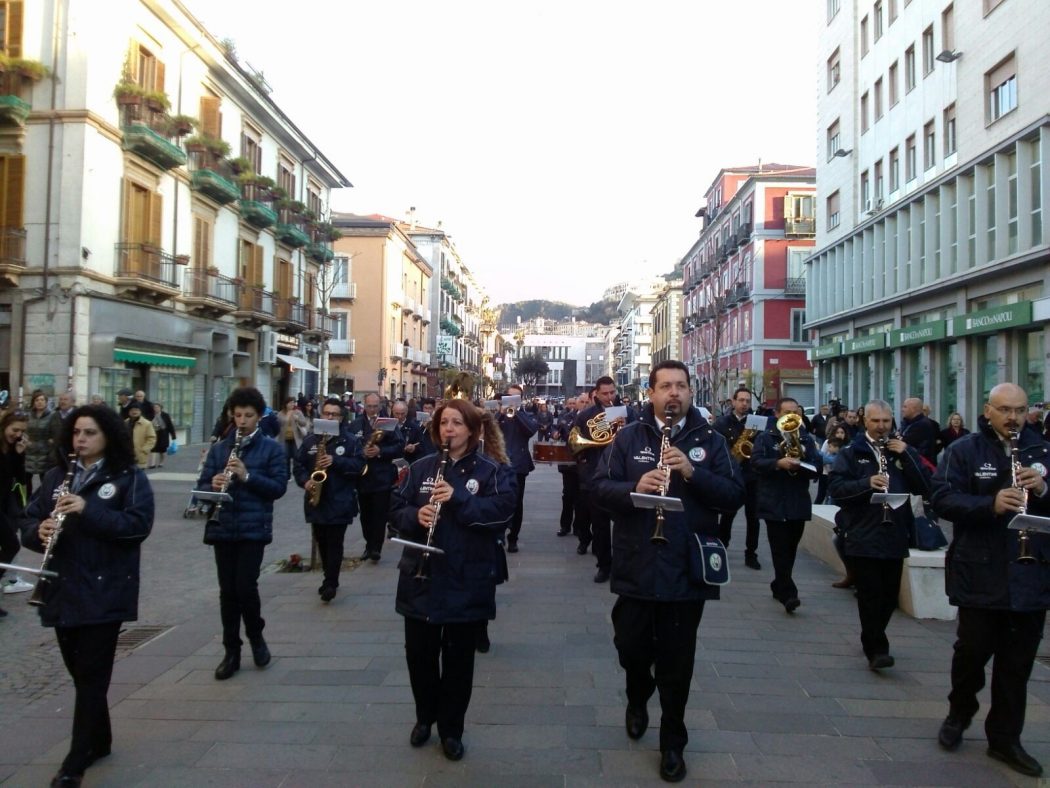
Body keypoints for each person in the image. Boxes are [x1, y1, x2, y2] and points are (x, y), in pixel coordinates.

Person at [594, 360, 743, 783]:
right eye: (665, 386)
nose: (673, 393)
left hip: (684, 569)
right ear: (652, 393)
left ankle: (673, 742)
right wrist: (632, 488)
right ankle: (638, 695)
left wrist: (693, 473)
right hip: (637, 563)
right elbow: (599, 490)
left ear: (691, 392)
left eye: (681, 386)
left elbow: (734, 496)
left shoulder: (710, 441)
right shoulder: (626, 438)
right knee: (630, 646)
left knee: (678, 664)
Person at [20, 405, 154, 787]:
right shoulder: (55, 477)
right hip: (62, 588)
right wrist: (38, 531)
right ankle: (100, 740)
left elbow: (137, 526)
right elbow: (27, 521)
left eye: (90, 432)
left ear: (108, 436)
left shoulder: (128, 479)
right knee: (81, 675)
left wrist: (88, 509)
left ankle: (74, 764)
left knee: (93, 677)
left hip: (105, 588)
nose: (81, 439)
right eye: (77, 432)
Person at [931, 383, 1050, 777]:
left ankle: (1005, 739)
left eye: (1019, 410)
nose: (1013, 417)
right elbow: (942, 499)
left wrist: (1044, 488)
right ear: (988, 410)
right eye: (1004, 410)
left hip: (1030, 575)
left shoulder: (1042, 449)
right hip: (980, 571)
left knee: (1016, 666)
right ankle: (959, 712)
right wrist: (990, 503)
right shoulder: (964, 450)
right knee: (971, 654)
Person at [390, 398, 516, 762]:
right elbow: (395, 508)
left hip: (467, 575)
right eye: (444, 423)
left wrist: (458, 498)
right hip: (420, 575)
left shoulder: (493, 470)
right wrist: (417, 514)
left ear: (474, 430)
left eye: (458, 423)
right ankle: (424, 716)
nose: (449, 430)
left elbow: (501, 514)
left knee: (459, 661)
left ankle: (451, 728)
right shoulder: (421, 467)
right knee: (419, 656)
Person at [828, 399, 932, 671]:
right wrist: (866, 484)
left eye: (886, 421)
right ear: (865, 421)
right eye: (876, 421)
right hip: (863, 533)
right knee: (870, 594)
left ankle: (874, 636)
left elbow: (926, 486)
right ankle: (876, 647)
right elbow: (837, 490)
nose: (881, 426)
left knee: (888, 596)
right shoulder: (852, 452)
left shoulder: (901, 450)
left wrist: (908, 455)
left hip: (895, 531)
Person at [196, 387, 288, 681]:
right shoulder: (220, 448)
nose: (243, 421)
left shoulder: (271, 449)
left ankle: (256, 636)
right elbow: (200, 487)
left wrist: (247, 476)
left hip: (253, 528)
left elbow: (278, 488)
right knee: (228, 592)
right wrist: (213, 483)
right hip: (223, 527)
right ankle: (231, 651)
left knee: (245, 586)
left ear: (259, 417)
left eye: (249, 415)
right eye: (238, 415)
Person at [750, 398, 822, 614]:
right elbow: (756, 463)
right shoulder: (766, 437)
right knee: (779, 548)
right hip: (774, 500)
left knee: (790, 548)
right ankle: (788, 593)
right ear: (777, 414)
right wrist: (777, 463)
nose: (793, 416)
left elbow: (817, 466)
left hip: (798, 501)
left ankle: (779, 583)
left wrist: (803, 465)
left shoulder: (806, 438)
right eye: (788, 412)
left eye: (796, 413)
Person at [293, 398, 365, 602]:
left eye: (334, 414)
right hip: (316, 500)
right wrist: (305, 482)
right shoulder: (311, 441)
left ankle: (331, 582)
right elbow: (298, 466)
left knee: (335, 542)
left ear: (341, 418)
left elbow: (359, 466)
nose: (330, 417)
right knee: (322, 541)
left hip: (340, 500)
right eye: (326, 413)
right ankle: (328, 575)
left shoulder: (350, 441)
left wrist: (336, 461)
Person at [574, 377, 625, 581]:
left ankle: (624, 564)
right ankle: (604, 565)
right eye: (605, 393)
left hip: (623, 475)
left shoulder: (629, 413)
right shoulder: (586, 415)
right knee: (600, 525)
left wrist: (624, 425)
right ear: (596, 393)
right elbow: (575, 443)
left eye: (613, 392)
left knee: (625, 524)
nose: (610, 397)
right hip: (597, 474)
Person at [350, 392, 405, 562]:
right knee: (365, 514)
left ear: (380, 406)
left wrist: (381, 452)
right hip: (363, 477)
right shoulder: (356, 423)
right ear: (364, 406)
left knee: (380, 514)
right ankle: (369, 544)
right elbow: (349, 445)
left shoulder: (388, 424)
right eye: (369, 406)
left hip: (382, 476)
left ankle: (376, 548)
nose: (372, 410)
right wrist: (361, 452)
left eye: (375, 406)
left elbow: (399, 445)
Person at [713, 387, 762, 569]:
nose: (744, 404)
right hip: (731, 476)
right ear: (733, 402)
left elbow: (761, 446)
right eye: (741, 400)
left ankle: (751, 553)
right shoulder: (721, 423)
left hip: (752, 476)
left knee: (754, 517)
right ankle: (722, 548)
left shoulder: (756, 423)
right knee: (727, 515)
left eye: (747, 401)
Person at [497, 383, 538, 554]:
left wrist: (517, 414)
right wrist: (500, 415)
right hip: (499, 462)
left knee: (517, 502)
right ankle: (499, 534)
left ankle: (513, 537)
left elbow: (530, 430)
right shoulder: (499, 415)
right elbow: (488, 430)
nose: (512, 401)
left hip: (519, 465)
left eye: (516, 398)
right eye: (510, 397)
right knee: (497, 499)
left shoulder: (525, 415)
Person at [0, 410, 29, 610]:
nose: (17, 434)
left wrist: (19, 455)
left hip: (3, 503)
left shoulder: (12, 447)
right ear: (4, 426)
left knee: (10, 546)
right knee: (12, 545)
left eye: (21, 431)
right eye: (14, 429)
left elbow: (18, 477)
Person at [26, 389, 58, 489]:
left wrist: (51, 442)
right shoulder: (28, 415)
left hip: (45, 453)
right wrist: (25, 439)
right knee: (26, 481)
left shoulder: (52, 415)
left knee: (45, 482)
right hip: (29, 451)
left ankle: (42, 502)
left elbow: (55, 434)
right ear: (33, 402)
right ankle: (26, 502)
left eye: (42, 400)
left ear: (46, 402)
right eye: (37, 400)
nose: (39, 402)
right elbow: (23, 430)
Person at [900, 397, 938, 467]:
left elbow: (903, 442)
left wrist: (899, 437)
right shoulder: (908, 422)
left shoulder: (921, 424)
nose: (902, 410)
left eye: (905, 407)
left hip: (919, 464)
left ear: (913, 409)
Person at [277, 397, 309, 474]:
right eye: (290, 402)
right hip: (284, 439)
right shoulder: (280, 413)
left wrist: (297, 419)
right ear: (286, 404)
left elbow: (304, 423)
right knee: (286, 457)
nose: (292, 404)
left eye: (293, 402)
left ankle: (297, 472)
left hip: (296, 438)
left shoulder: (298, 412)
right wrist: (287, 417)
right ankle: (287, 474)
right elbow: (279, 424)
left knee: (296, 456)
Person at [125, 403, 156, 468]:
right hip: (127, 453)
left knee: (139, 475)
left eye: (136, 410)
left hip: (140, 453)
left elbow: (152, 438)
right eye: (132, 410)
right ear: (129, 412)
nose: (134, 412)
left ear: (140, 411)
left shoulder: (146, 423)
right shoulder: (125, 422)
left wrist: (144, 449)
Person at [148, 402, 176, 469]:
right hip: (154, 433)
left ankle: (161, 462)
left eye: (157, 407)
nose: (155, 409)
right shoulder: (151, 415)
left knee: (162, 450)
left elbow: (170, 425)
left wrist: (173, 435)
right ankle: (152, 464)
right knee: (153, 449)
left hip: (163, 434)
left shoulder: (165, 415)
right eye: (154, 407)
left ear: (161, 408)